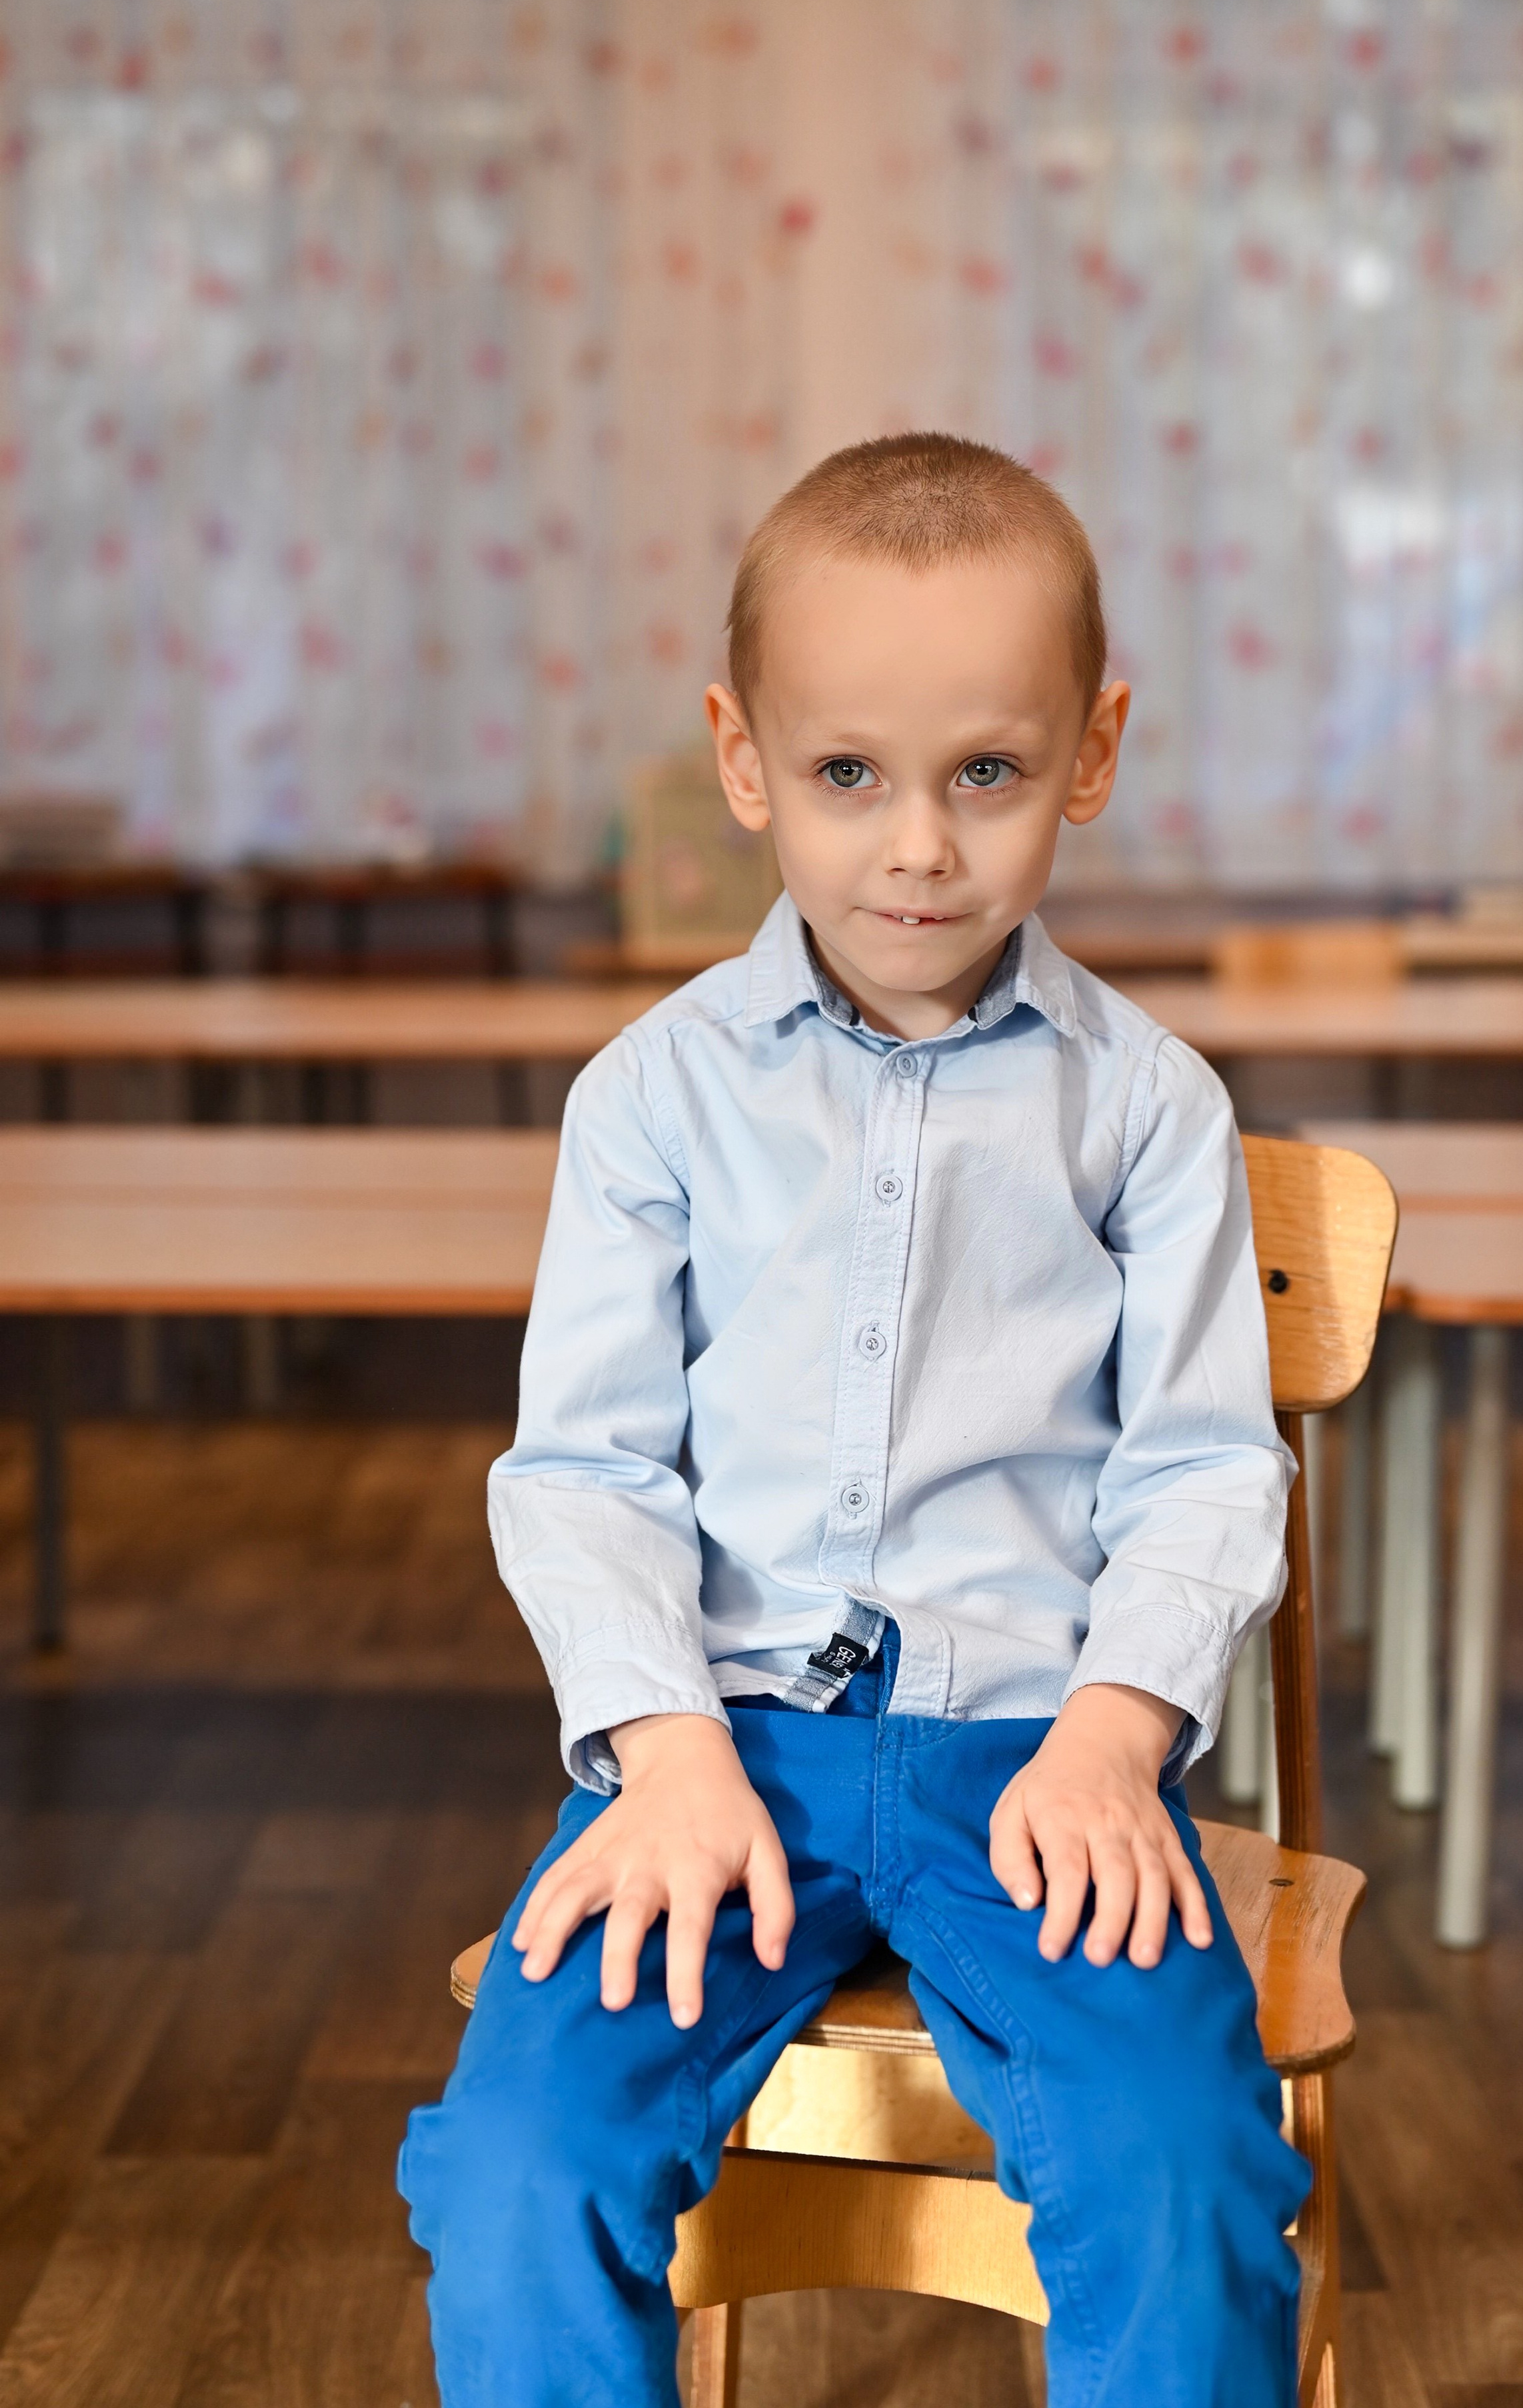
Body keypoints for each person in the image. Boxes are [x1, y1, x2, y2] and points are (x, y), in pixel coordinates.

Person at [399, 433, 1310, 2406]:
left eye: (986, 772)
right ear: (743, 759)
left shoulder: (1149, 1107)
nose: (918, 847)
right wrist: (660, 1750)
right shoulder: (654, 1098)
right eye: (845, 774)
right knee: (518, 2159)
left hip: (1043, 1760)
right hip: (714, 1757)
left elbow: (1202, 1470)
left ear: (1092, 751)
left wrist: (1116, 1734)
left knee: (1181, 2164)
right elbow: (586, 1471)